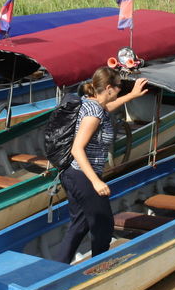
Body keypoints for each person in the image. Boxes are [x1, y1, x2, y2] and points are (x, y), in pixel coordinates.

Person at [55, 67, 149, 264]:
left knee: (79, 224)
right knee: (104, 225)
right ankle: (99, 269)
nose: (119, 92)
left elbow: (108, 108)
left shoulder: (90, 103)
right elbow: (77, 149)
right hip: (83, 175)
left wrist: (132, 95)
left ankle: (56, 269)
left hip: (71, 174)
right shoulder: (94, 113)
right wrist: (96, 182)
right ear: (108, 88)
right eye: (119, 88)